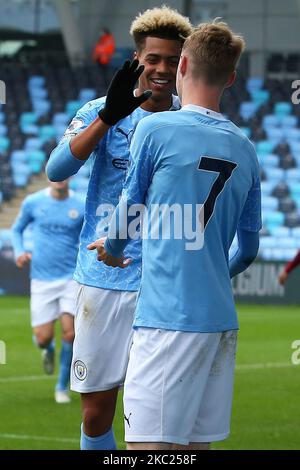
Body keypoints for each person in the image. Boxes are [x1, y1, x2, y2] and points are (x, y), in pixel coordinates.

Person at [95, 20, 261, 450]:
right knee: (192, 448)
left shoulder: (156, 128)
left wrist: (112, 248)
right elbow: (249, 248)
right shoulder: (246, 147)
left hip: (168, 320)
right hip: (220, 322)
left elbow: (131, 204)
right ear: (231, 78)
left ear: (183, 63)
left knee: (148, 450)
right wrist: (211, 275)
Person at [46, 6, 192, 450]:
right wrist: (109, 116)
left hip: (165, 281)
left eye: (172, 60)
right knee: (96, 414)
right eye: (154, 59)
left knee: (157, 419)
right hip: (104, 280)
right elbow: (57, 169)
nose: (163, 69)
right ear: (137, 60)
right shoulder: (100, 110)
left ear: (184, 63)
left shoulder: (192, 120)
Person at [12, 180, 84, 403]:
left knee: (70, 333)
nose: (60, 178)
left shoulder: (80, 204)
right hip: (42, 278)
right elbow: (17, 229)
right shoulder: (33, 202)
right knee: (43, 338)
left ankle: (61, 386)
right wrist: (20, 251)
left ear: (70, 176)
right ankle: (48, 349)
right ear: (49, 176)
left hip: (70, 277)